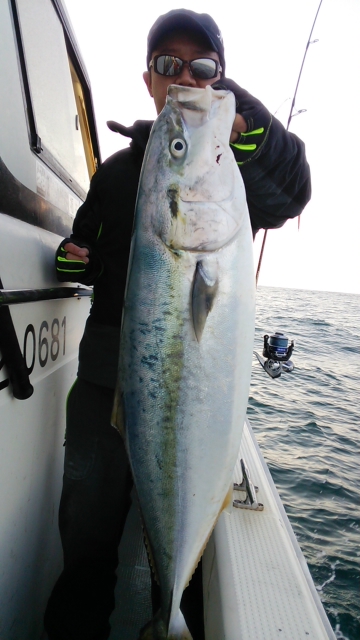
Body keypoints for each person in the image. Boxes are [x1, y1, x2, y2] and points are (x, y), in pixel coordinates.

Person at [44, 9, 311, 640]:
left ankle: (173, 617)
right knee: (86, 529)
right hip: (106, 372)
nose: (184, 76)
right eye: (169, 65)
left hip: (189, 381)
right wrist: (69, 260)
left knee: (185, 536)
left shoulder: (234, 163)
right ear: (148, 80)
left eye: (202, 66)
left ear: (221, 80)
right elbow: (83, 245)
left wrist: (251, 125)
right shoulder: (115, 172)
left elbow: (292, 191)